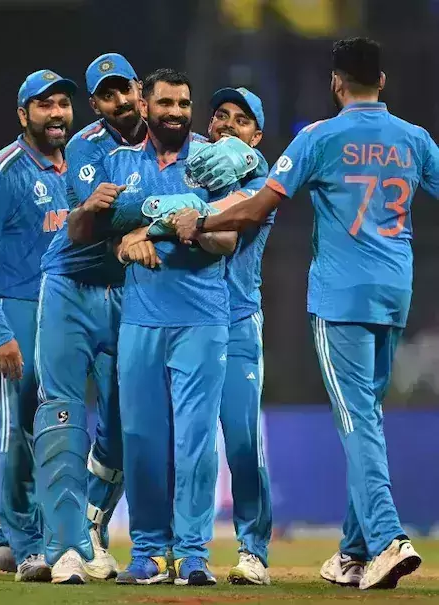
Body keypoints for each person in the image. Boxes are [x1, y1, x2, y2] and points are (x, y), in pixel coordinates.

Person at [173, 37, 439, 590]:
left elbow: (258, 207)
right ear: (382, 81)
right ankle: (352, 554)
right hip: (395, 292)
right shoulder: (415, 139)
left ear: (336, 83)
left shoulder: (319, 136)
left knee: (356, 419)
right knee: (368, 416)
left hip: (341, 297)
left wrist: (202, 223)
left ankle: (387, 538)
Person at [100, 68, 241, 587]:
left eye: (184, 103)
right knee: (141, 440)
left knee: (195, 442)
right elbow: (107, 232)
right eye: (166, 103)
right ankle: (148, 552)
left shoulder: (213, 159)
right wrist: (125, 244)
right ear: (144, 105)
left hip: (201, 318)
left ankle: (192, 553)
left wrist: (193, 228)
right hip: (140, 319)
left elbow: (228, 239)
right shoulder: (119, 163)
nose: (176, 112)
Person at [33, 52, 144, 585]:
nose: (119, 101)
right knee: (61, 414)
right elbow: (88, 227)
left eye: (125, 89)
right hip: (71, 288)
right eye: (106, 95)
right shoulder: (85, 147)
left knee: (125, 424)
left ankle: (91, 524)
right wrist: (164, 210)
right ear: (96, 105)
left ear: (140, 89)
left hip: (129, 293)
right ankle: (64, 547)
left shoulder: (167, 143)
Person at [0, 69, 76, 582]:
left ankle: (6, 539)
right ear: (22, 114)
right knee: (19, 429)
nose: (56, 113)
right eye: (44, 104)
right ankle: (28, 546)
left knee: (56, 428)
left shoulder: (79, 166)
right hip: (19, 310)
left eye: (62, 104)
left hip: (66, 312)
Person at [206, 88, 274, 586]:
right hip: (182, 321)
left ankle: (253, 551)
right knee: (164, 439)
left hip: (236, 321)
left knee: (243, 441)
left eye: (241, 120)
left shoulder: (263, 182)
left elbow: (228, 232)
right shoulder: (187, 167)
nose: (228, 124)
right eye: (221, 115)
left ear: (257, 137)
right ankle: (162, 546)